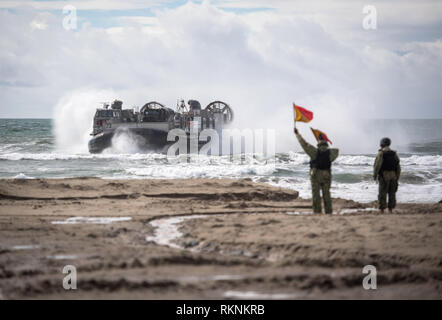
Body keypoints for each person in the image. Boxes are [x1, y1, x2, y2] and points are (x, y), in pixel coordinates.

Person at [294, 128, 339, 214]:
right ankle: (328, 212)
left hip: (315, 175)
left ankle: (317, 213)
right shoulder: (332, 152)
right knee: (327, 195)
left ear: (318, 141)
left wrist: (297, 134)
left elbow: (304, 144)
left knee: (316, 196)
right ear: (326, 141)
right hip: (326, 175)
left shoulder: (314, 151)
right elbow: (335, 154)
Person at [373, 137, 401, 213]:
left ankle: (382, 209)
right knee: (392, 193)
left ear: (382, 143)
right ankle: (390, 209)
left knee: (382, 193)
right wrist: (397, 177)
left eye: (381, 142)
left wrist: (375, 176)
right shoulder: (394, 153)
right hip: (393, 175)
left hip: (384, 175)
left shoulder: (381, 153)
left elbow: (377, 165)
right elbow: (398, 166)